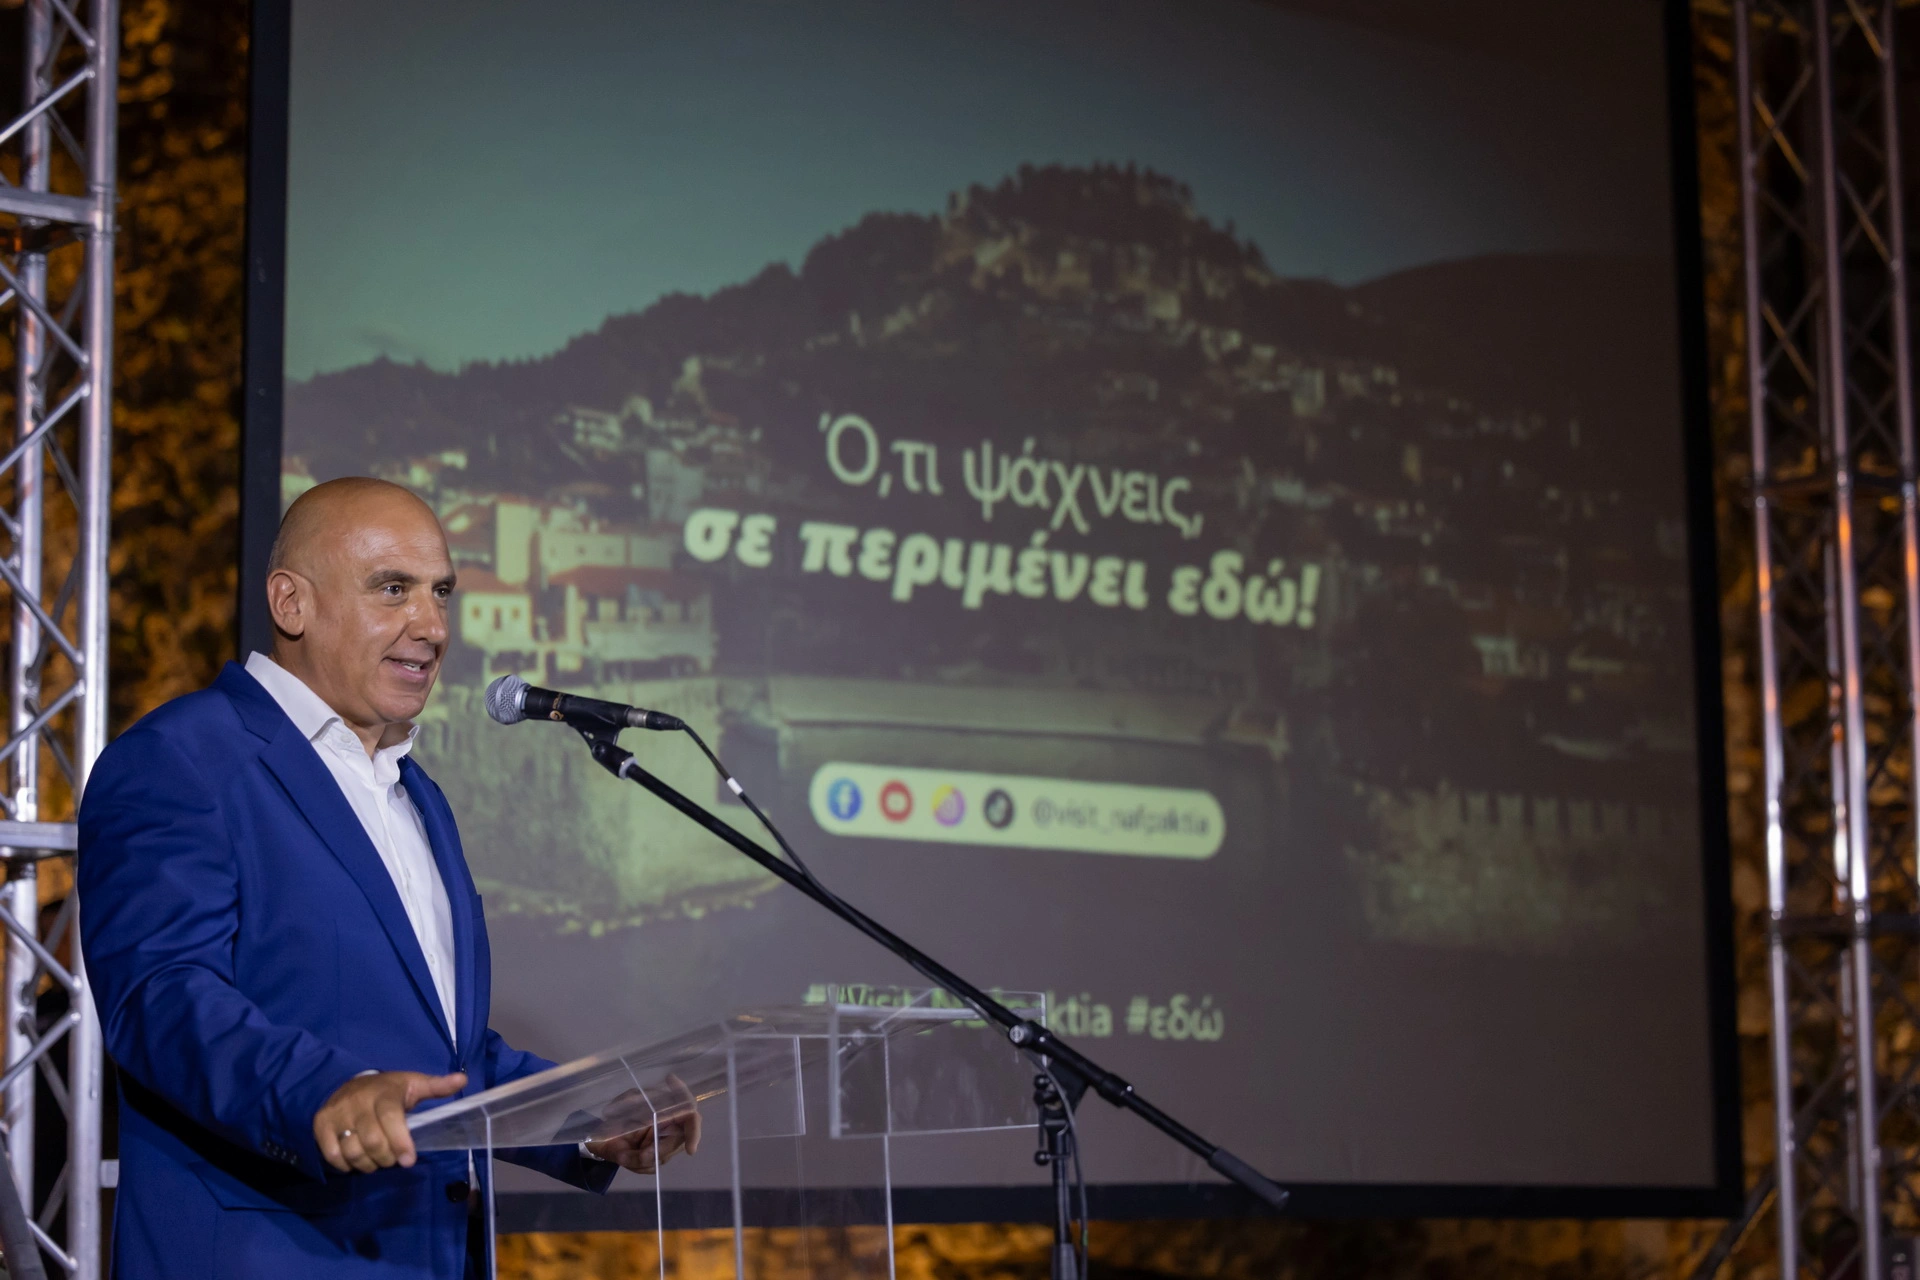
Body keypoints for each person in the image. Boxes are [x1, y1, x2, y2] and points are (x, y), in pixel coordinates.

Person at [79, 478, 697, 1278]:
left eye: (441, 593)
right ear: (291, 603)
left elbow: (444, 1055)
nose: (432, 626)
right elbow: (161, 1000)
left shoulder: (416, 794)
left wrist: (590, 1119)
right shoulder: (181, 758)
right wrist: (324, 1093)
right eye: (393, 589)